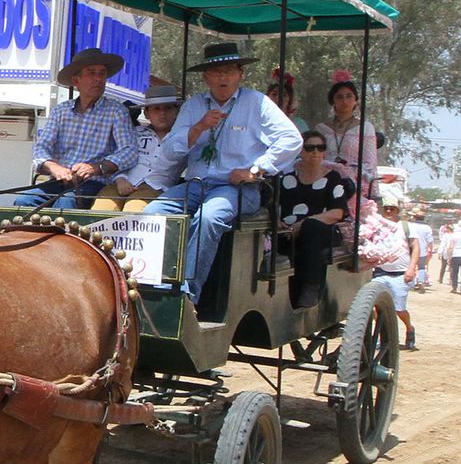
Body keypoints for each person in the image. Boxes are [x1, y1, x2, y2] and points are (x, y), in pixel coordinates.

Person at [143, 41, 302, 304]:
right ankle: (151, 285)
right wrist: (197, 128)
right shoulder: (194, 105)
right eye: (216, 72)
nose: (223, 77)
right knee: (152, 214)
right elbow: (170, 150)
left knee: (208, 218)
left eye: (229, 71)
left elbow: (291, 139)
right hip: (195, 185)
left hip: (238, 189)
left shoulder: (257, 103)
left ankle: (186, 296)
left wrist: (255, 169)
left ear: (241, 74)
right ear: (206, 77)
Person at [13, 47, 138, 210]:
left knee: (66, 202)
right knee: (24, 202)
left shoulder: (116, 111)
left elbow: (129, 151)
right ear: (76, 81)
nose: (98, 79)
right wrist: (55, 167)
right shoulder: (61, 111)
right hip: (59, 181)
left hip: (94, 184)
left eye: (102, 73)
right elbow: (41, 148)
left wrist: (97, 168)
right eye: (91, 73)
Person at [277, 129, 353, 308]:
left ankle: (311, 288)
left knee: (311, 228)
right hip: (288, 232)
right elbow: (273, 205)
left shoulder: (333, 178)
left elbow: (337, 212)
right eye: (310, 148)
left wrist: (302, 224)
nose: (316, 152)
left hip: (320, 231)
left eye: (320, 148)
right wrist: (279, 223)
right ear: (301, 151)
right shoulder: (286, 177)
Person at [91, 83, 184, 211]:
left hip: (157, 187)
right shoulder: (135, 132)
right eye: (156, 108)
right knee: (101, 208)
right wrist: (120, 179)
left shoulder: (184, 137)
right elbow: (120, 156)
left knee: (134, 210)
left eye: (168, 108)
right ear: (146, 113)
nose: (162, 113)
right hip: (123, 182)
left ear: (176, 111)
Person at [316, 70, 378, 206]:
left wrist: (347, 172)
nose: (344, 101)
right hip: (324, 182)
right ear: (332, 101)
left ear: (355, 100)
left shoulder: (365, 128)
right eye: (339, 97)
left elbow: (370, 165)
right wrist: (334, 168)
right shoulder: (321, 128)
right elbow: (315, 158)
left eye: (349, 96)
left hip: (355, 187)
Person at [375, 191, 418, 350]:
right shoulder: (376, 226)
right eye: (386, 208)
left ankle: (409, 328)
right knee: (375, 307)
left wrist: (411, 269)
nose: (388, 211)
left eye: (391, 209)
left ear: (397, 211)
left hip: (400, 274)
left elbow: (416, 247)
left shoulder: (406, 227)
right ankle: (381, 336)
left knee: (399, 309)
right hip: (380, 272)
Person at [407, 204, 433, 290]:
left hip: (411, 250)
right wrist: (431, 250)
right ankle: (421, 281)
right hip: (422, 251)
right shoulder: (427, 228)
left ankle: (411, 284)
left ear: (415, 217)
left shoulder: (410, 225)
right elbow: (430, 241)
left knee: (411, 266)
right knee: (421, 267)